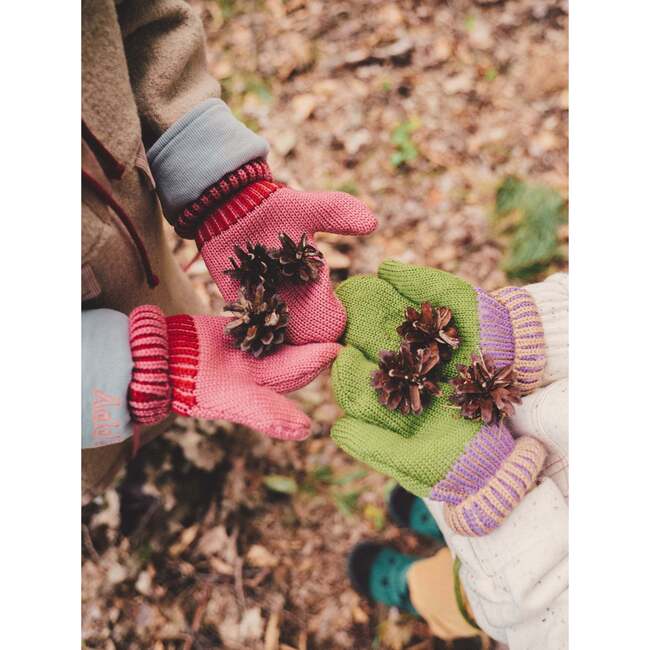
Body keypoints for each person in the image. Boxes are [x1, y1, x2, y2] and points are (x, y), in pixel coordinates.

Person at [81, 0, 376, 500]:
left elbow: (136, 17)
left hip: (148, 281)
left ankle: (171, 444)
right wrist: (117, 369)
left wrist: (220, 181)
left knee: (181, 392)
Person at [332, 264, 568, 649]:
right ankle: (437, 526)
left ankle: (422, 591)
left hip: (520, 563)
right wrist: (537, 339)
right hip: (539, 413)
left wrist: (499, 501)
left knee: (459, 594)